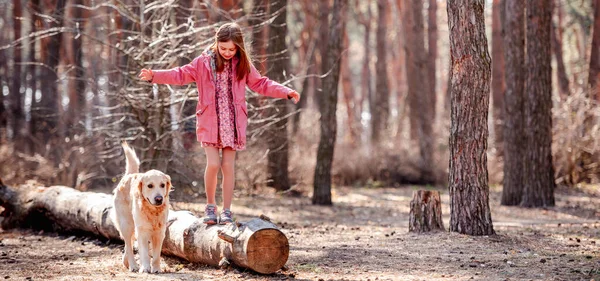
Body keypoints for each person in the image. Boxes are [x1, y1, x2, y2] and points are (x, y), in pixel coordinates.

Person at [138, 22, 300, 225]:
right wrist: (155, 76)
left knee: (228, 166)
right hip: (209, 121)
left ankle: (227, 211)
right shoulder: (203, 62)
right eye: (223, 48)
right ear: (216, 43)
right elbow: (180, 74)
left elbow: (261, 83)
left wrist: (285, 91)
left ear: (239, 47)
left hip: (232, 124)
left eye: (232, 49)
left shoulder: (242, 64)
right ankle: (210, 206)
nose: (227, 52)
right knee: (213, 163)